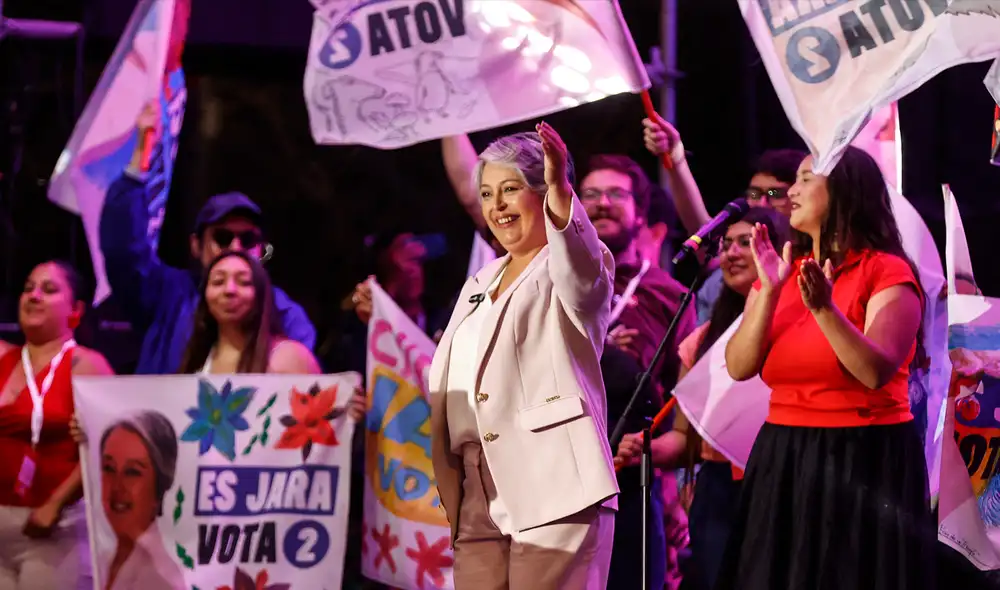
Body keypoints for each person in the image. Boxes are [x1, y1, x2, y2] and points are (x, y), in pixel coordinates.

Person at [717, 146, 935, 590]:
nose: (791, 191)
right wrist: (772, 292)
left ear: (845, 192)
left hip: (864, 457)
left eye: (805, 179)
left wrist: (824, 310)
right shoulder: (780, 271)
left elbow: (874, 371)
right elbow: (739, 367)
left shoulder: (887, 272)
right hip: (786, 453)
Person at [430, 123, 617, 589]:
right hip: (477, 490)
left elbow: (579, 266)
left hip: (553, 483)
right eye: (489, 193)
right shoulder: (480, 281)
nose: (497, 206)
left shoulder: (574, 264)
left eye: (511, 189)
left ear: (542, 194)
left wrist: (561, 188)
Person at [614, 207, 789, 590]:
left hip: (782, 480)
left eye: (748, 242)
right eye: (726, 245)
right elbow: (684, 438)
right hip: (718, 490)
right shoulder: (701, 341)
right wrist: (645, 450)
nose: (732, 253)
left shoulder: (797, 327)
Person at [100, 103, 315, 375]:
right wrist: (140, 156)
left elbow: (302, 393)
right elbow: (123, 250)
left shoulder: (284, 313)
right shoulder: (167, 295)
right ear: (196, 246)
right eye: (223, 238)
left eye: (247, 239)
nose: (235, 248)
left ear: (261, 249)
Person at [0, 260, 114, 589]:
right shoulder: (3, 357)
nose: (34, 295)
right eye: (28, 288)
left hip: (54, 529)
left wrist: (55, 504)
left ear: (76, 310)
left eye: (48, 290)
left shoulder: (87, 364)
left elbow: (106, 449)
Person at [642, 112, 805, 322]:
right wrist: (676, 159)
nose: (762, 203)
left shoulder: (810, 260)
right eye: (754, 194)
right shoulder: (731, 261)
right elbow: (701, 231)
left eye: (775, 194)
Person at [97, 411, 184, 590]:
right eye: (109, 468)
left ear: (159, 486)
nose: (117, 486)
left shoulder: (159, 578)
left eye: (132, 472)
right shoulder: (102, 557)